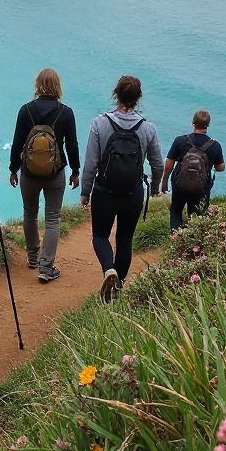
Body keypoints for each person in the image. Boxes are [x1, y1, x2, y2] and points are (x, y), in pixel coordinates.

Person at [80, 75, 163, 303]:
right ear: (138, 98)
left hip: (105, 191)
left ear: (115, 93)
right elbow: (157, 164)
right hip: (132, 193)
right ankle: (117, 290)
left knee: (100, 236)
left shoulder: (100, 123)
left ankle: (109, 270)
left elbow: (91, 164)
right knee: (125, 240)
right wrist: (155, 188)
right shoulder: (148, 128)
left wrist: (85, 193)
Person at [8, 68, 80, 283]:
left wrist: (13, 169)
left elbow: (18, 142)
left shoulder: (26, 110)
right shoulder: (65, 112)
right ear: (58, 85)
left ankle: (32, 257)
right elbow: (73, 145)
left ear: (37, 84)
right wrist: (75, 171)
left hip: (29, 173)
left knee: (29, 213)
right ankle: (46, 268)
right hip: (55, 173)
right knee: (52, 219)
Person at [160, 109, 226, 232]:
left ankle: (175, 239)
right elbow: (220, 168)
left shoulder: (180, 140)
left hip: (179, 185)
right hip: (201, 188)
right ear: (208, 125)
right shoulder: (215, 145)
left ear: (193, 123)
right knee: (197, 217)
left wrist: (164, 183)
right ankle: (194, 246)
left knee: (176, 211)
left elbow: (169, 164)